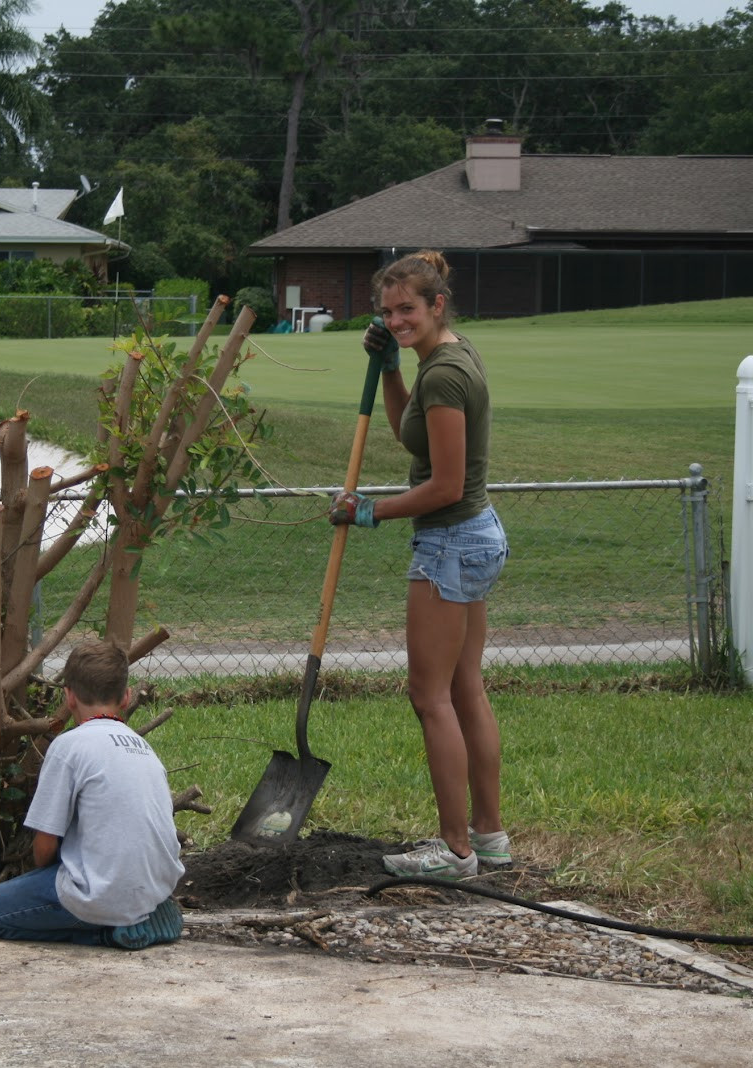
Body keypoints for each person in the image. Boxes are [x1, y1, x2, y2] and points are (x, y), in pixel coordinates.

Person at [329, 250, 512, 880]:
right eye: (386, 312)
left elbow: (447, 485)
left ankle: (455, 849)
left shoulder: (443, 375)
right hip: (475, 536)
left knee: (428, 695)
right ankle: (488, 839)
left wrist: (370, 514)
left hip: (451, 540)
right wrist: (387, 369)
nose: (396, 320)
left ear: (437, 304)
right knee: (464, 688)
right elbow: (414, 439)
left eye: (407, 309)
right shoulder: (449, 357)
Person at [0, 640, 185, 949]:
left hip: (98, 895)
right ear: (126, 697)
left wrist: (44, 880)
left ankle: (106, 931)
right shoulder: (146, 750)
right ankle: (142, 913)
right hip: (156, 889)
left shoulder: (68, 746)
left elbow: (43, 846)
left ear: (69, 697)